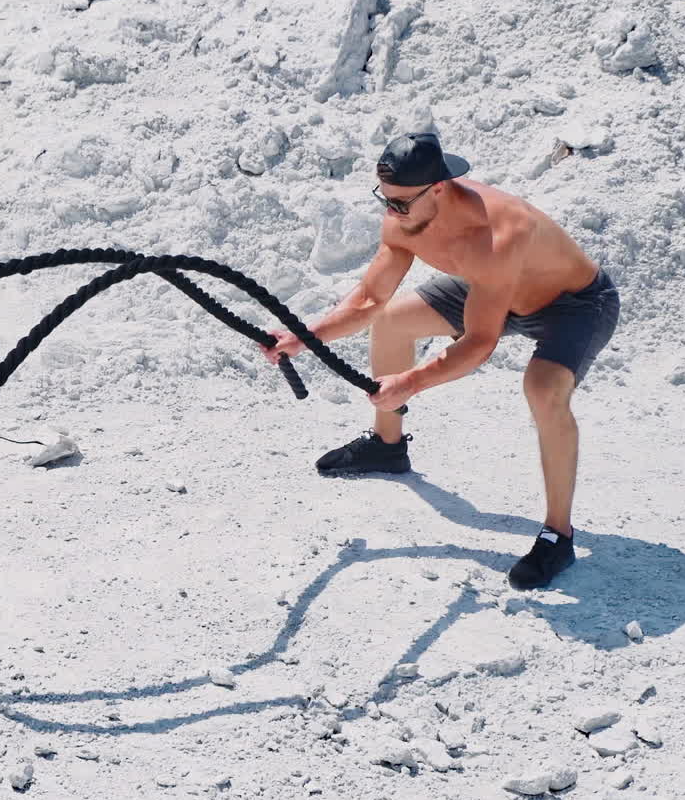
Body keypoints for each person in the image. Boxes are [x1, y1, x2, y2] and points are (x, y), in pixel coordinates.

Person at [265, 133, 620, 590]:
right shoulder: (403, 218)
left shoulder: (498, 232)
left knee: (543, 389)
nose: (390, 212)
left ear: (438, 189)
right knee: (391, 321)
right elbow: (371, 298)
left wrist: (411, 382)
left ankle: (558, 534)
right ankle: (387, 445)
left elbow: (479, 343)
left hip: (573, 305)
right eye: (385, 199)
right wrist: (302, 337)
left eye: (400, 203)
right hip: (491, 291)